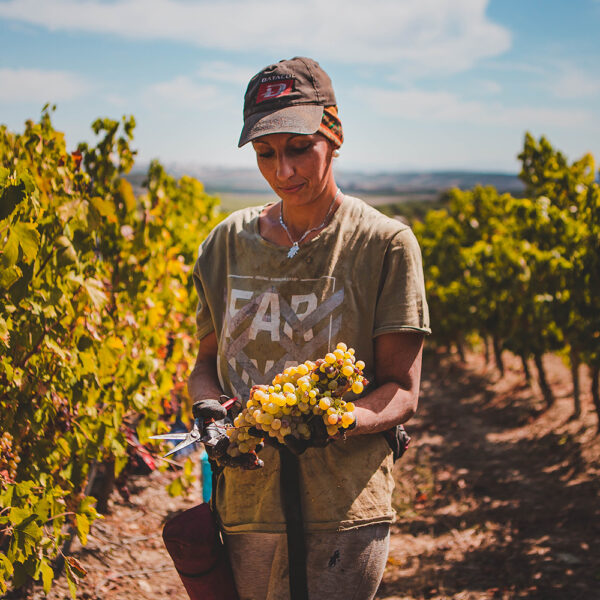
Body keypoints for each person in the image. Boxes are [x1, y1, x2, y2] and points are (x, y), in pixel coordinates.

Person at [188, 57, 430, 600]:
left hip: (344, 509)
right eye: (265, 154)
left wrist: (341, 420)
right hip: (246, 502)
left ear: (334, 135)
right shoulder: (225, 243)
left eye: (299, 148)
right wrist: (208, 409)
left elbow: (402, 390)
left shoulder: (384, 245)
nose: (284, 171)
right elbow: (206, 364)